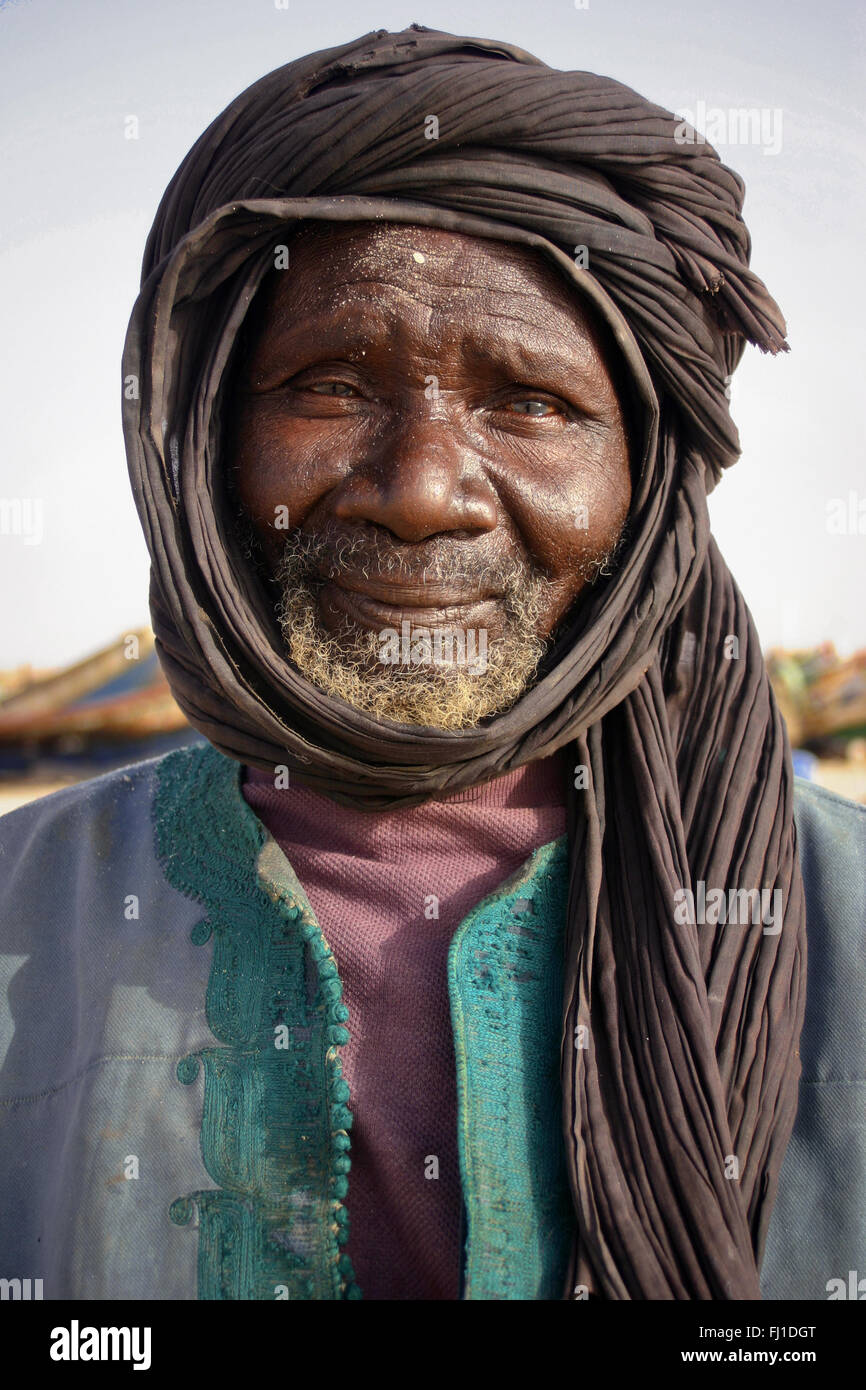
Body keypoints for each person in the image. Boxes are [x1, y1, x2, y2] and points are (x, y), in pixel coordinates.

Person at [0, 25, 863, 1302]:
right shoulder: (25, 913)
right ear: (201, 445)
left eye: (529, 403)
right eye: (331, 386)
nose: (419, 494)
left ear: (649, 478)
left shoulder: (842, 917)